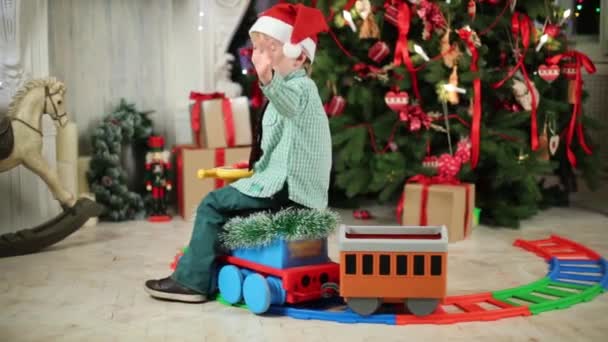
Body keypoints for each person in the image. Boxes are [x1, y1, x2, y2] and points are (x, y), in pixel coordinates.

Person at [144, 3, 332, 303]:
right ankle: (210, 265)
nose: (261, 57)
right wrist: (254, 166)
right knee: (230, 205)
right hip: (282, 182)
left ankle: (192, 283)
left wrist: (267, 78)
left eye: (270, 50)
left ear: (298, 57)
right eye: (258, 49)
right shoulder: (286, 90)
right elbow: (280, 143)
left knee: (212, 204)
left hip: (290, 188)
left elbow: (289, 105)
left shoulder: (301, 89)